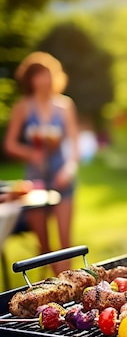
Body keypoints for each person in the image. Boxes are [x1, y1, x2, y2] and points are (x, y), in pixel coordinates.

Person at [4, 52, 79, 275]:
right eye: (38, 76)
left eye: (47, 74)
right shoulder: (23, 107)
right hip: (35, 181)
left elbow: (74, 144)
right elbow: (10, 144)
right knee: (44, 247)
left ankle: (68, 286)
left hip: (61, 176)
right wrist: (29, 153)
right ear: (30, 79)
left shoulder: (65, 105)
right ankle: (54, 285)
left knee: (66, 244)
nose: (44, 80)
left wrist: (68, 169)